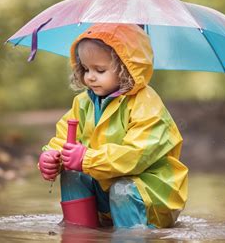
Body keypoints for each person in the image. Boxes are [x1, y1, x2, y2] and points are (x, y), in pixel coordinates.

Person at [38, 23, 188, 229]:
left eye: (100, 70)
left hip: (150, 193)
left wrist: (86, 158)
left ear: (126, 68)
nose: (90, 76)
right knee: (72, 174)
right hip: (106, 185)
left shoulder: (147, 105)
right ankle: (80, 233)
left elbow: (136, 155)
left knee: (122, 189)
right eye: (85, 69)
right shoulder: (84, 102)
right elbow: (65, 138)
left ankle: (130, 235)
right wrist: (52, 156)